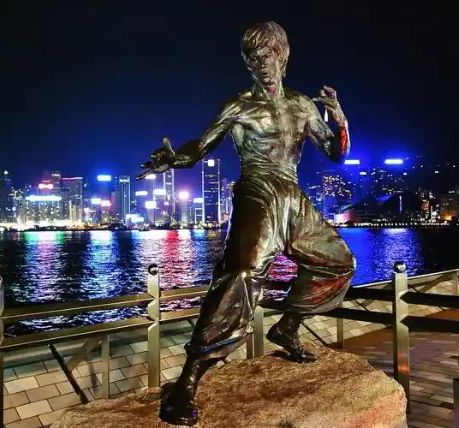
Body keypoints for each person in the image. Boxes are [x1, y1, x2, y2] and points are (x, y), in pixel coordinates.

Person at [137, 21, 356, 426]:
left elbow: (335, 153)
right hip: (257, 191)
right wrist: (173, 159)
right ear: (247, 64)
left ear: (282, 57)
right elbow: (200, 146)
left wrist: (340, 119)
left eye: (268, 55)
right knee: (240, 273)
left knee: (339, 262)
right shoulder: (238, 106)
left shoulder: (302, 105)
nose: (261, 64)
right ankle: (187, 381)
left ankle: (287, 328)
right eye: (253, 58)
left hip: (292, 196)